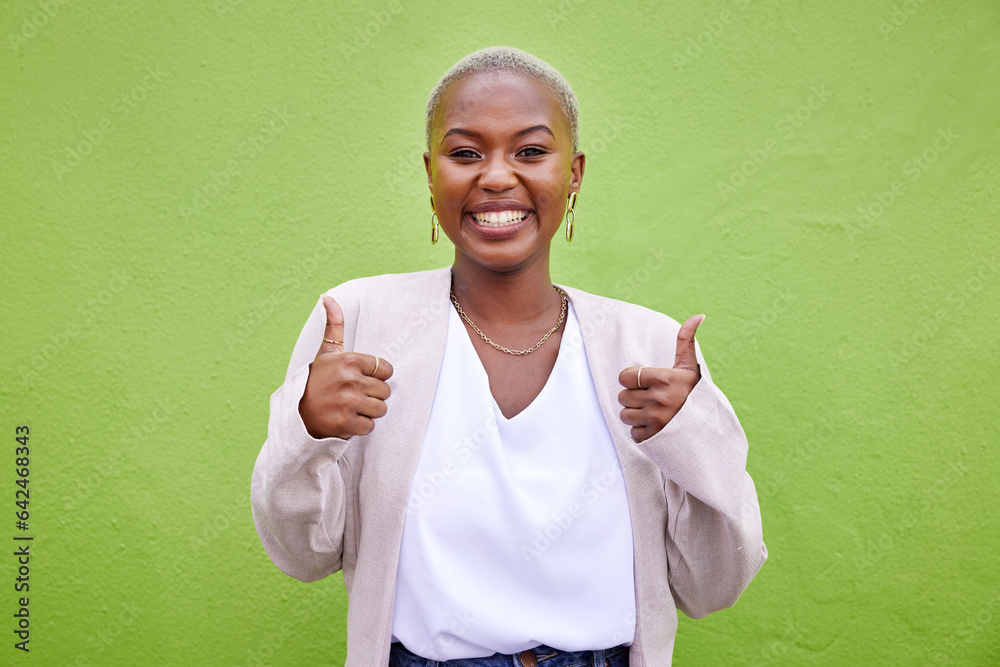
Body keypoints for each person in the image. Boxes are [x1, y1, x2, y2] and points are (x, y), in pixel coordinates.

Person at [251, 46, 766, 667]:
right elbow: (300, 555)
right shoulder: (359, 324)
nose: (496, 176)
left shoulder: (650, 349)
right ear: (430, 173)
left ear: (573, 174)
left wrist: (692, 442)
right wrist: (310, 432)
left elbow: (713, 586)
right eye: (465, 153)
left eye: (530, 151)